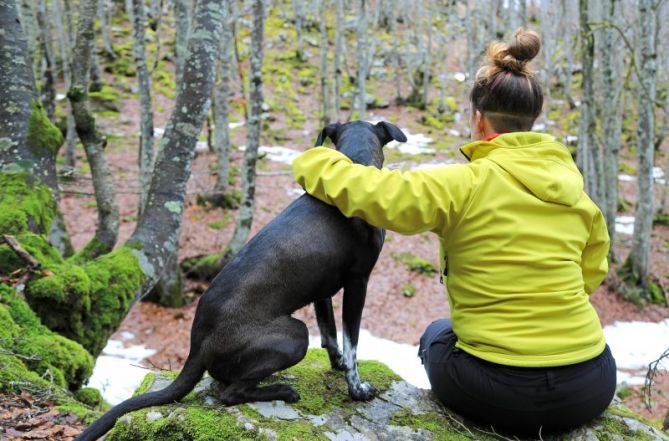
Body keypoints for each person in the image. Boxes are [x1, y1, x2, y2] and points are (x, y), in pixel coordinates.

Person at [292, 29, 616, 435]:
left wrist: (314, 159)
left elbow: (375, 193)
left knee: (436, 337)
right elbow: (592, 271)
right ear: (532, 123)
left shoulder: (463, 183)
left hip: (500, 391)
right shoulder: (577, 191)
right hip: (591, 383)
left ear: (478, 120)